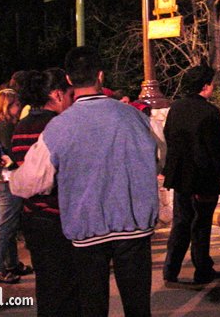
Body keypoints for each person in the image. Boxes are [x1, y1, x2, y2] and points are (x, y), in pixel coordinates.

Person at [9, 46, 159, 317]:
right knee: (138, 307)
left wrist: (10, 179)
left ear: (68, 79)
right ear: (101, 75)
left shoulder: (59, 127)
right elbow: (158, 156)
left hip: (87, 230)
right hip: (134, 226)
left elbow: (30, 181)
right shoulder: (135, 117)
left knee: (92, 306)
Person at [7, 68, 78, 316]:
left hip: (32, 215)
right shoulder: (57, 127)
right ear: (58, 95)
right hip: (58, 215)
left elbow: (19, 165)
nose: (73, 102)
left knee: (47, 285)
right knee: (68, 288)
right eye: (71, 96)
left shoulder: (21, 126)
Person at [162, 64, 220, 284]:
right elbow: (218, 149)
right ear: (205, 86)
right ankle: (202, 269)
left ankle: (171, 269)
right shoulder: (210, 112)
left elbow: (168, 136)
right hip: (203, 177)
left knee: (181, 222)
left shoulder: (176, 108)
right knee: (201, 225)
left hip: (181, 175)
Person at [0, 88, 32, 284]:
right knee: (6, 225)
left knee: (9, 224)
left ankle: (12, 263)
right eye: (16, 104)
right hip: (7, 180)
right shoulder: (7, 126)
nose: (19, 108)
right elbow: (11, 154)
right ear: (7, 106)